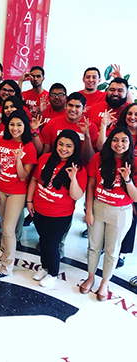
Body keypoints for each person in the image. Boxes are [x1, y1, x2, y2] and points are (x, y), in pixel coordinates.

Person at [80, 127, 137, 301]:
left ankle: (105, 282)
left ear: (130, 143)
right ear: (110, 141)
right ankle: (90, 277)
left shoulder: (134, 163)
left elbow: (135, 197)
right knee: (93, 246)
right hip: (98, 207)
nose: (119, 144)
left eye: (124, 140)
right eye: (115, 140)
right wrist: (88, 210)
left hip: (121, 212)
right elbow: (90, 185)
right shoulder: (99, 158)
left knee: (113, 250)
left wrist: (127, 179)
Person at [26, 130, 87, 287]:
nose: (63, 148)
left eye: (68, 146)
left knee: (52, 244)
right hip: (39, 210)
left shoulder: (78, 169)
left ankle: (53, 273)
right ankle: (44, 266)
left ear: (75, 148)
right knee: (43, 240)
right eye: (60, 144)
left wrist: (73, 178)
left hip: (60, 214)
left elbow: (76, 196)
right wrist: (29, 201)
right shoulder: (45, 159)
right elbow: (34, 179)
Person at [0, 110, 37, 280]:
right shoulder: (1, 141)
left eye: (19, 124)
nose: (15, 128)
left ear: (25, 127)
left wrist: (18, 159)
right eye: (12, 124)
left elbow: (24, 176)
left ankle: (6, 267)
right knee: (5, 227)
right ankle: (5, 254)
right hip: (1, 190)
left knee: (8, 229)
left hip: (17, 192)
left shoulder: (29, 147)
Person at [41, 92, 97, 164]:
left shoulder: (91, 127)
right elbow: (45, 151)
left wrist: (87, 136)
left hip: (79, 169)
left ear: (84, 109)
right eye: (70, 105)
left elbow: (89, 159)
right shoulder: (52, 123)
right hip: (55, 166)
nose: (73, 109)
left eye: (77, 106)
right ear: (65, 106)